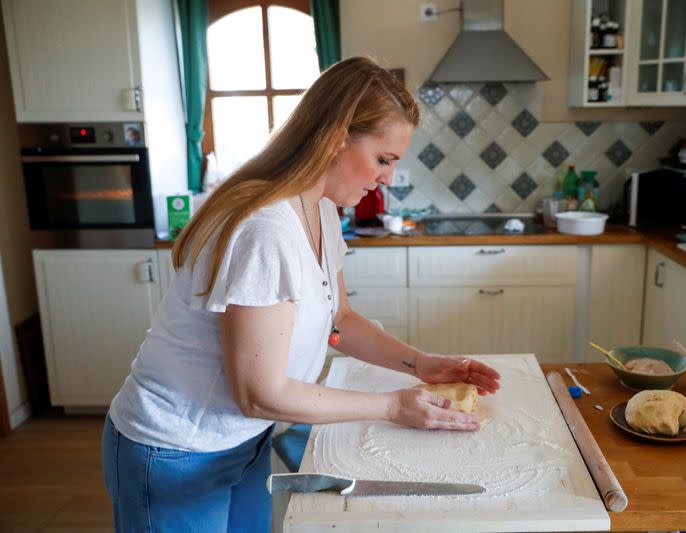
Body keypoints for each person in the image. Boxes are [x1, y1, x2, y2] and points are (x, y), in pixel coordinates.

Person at [102, 56, 501, 532]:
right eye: (384, 159)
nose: (387, 178)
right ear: (336, 137)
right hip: (175, 449)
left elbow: (340, 319)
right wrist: (394, 405)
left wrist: (421, 363)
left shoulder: (320, 211)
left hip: (245, 439)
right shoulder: (265, 229)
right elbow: (259, 392)